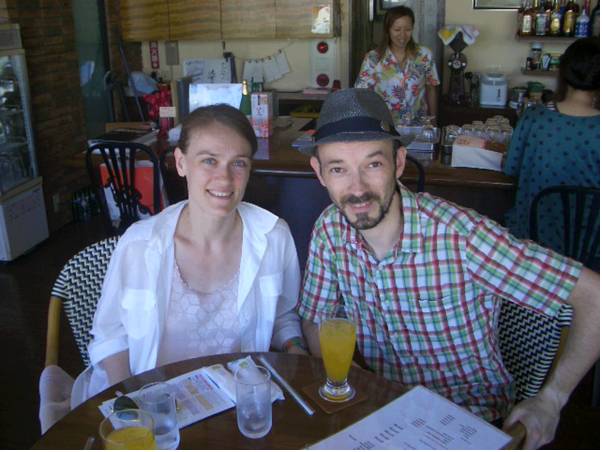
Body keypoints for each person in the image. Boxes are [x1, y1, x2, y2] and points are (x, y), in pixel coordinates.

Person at [296, 88, 599, 450]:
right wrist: (354, 381)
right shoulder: (330, 229)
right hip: (383, 415)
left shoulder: (463, 238)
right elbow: (316, 319)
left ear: (399, 163)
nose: (357, 188)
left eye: (373, 164)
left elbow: (594, 296)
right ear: (320, 173)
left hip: (470, 421)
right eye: (338, 169)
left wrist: (552, 400)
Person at [76, 104, 307, 401]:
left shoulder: (274, 236)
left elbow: (282, 316)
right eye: (209, 160)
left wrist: (296, 349)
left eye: (238, 163)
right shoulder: (140, 245)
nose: (224, 179)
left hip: (235, 401)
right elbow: (110, 336)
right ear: (181, 163)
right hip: (151, 402)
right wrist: (131, 404)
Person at [504, 37, 599, 255]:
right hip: (592, 247)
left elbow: (511, 168)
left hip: (534, 241)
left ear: (563, 71)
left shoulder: (534, 117)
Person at [354, 5, 439, 125]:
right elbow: (361, 93)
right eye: (397, 30)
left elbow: (431, 88)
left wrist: (433, 120)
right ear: (388, 30)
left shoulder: (424, 55)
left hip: (417, 125)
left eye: (408, 29)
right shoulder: (373, 58)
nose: (402, 35)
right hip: (384, 125)